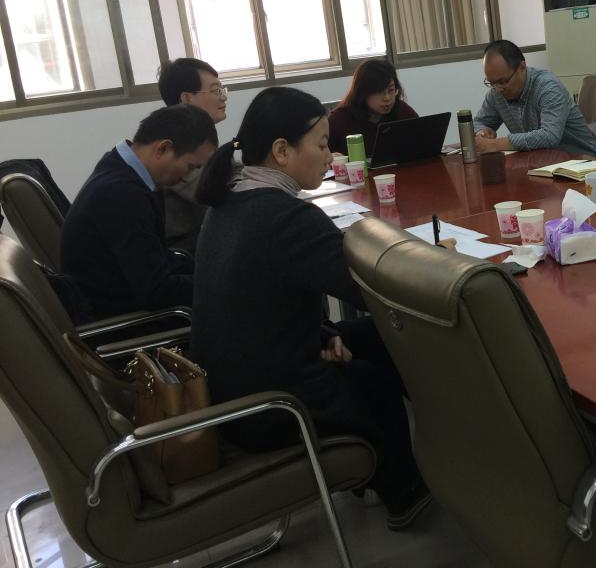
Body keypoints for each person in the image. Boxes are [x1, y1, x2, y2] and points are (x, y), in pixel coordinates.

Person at [191, 86, 432, 531]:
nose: (329, 156)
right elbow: (371, 289)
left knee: (371, 337)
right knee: (375, 380)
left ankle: (393, 467)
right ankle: (404, 491)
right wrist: (436, 267)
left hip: (234, 385)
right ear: (282, 151)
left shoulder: (232, 198)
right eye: (321, 145)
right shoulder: (283, 217)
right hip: (270, 405)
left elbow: (257, 301)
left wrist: (322, 333)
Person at [60, 104, 218, 323]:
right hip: (122, 322)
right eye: (191, 167)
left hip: (124, 301)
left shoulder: (122, 169)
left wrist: (212, 271)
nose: (187, 177)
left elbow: (156, 260)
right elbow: (156, 291)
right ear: (163, 149)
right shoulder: (121, 195)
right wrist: (219, 282)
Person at [473, 39, 596, 155]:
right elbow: (478, 122)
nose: (498, 89)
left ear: (522, 67)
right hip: (542, 161)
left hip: (583, 161)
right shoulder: (496, 93)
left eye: (503, 81)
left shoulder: (548, 87)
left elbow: (549, 136)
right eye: (491, 83)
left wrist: (496, 144)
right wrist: (482, 132)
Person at [157, 57, 229, 253]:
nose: (223, 97)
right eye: (215, 91)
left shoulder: (197, 135)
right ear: (187, 98)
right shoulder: (176, 143)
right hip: (184, 249)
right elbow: (219, 192)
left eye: (222, 90)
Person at [328, 59, 418, 156]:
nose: (387, 98)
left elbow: (423, 139)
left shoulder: (402, 111)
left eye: (391, 90)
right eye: (379, 92)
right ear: (363, 93)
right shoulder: (339, 120)